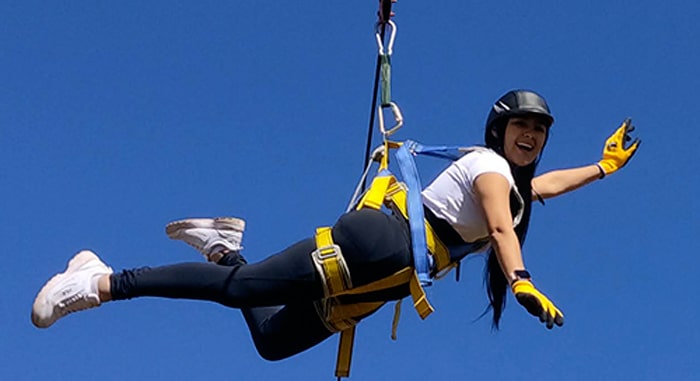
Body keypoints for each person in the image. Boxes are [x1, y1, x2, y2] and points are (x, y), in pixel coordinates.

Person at [32, 89, 640, 362]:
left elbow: (543, 187)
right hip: (378, 243)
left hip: (386, 280)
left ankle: (224, 246)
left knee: (272, 341)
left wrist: (602, 169)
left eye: (539, 131)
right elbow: (506, 229)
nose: (531, 137)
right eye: (522, 128)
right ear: (498, 133)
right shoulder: (486, 169)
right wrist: (521, 278)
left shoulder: (514, 185)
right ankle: (103, 279)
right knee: (242, 296)